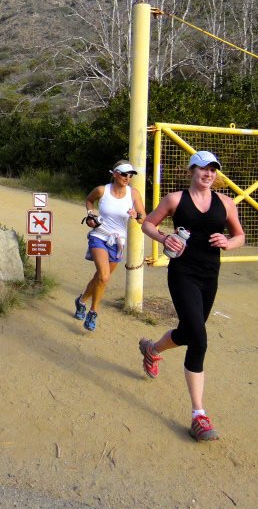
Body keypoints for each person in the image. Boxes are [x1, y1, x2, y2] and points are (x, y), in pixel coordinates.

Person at [139, 150, 244, 441]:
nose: (208, 174)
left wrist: (228, 242)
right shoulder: (175, 200)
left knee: (188, 332)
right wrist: (163, 237)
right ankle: (199, 416)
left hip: (210, 276)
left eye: (212, 170)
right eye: (202, 168)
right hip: (182, 273)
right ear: (191, 171)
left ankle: (152, 350)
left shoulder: (225, 203)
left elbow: (240, 235)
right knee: (199, 337)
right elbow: (148, 222)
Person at [74, 160, 146, 331]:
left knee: (100, 277)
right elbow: (89, 200)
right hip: (99, 236)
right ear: (114, 173)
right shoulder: (102, 190)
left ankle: (81, 301)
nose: (127, 178)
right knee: (104, 277)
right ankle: (93, 312)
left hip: (118, 241)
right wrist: (90, 214)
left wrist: (136, 215)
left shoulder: (133, 194)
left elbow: (143, 218)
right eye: (123, 174)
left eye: (130, 175)